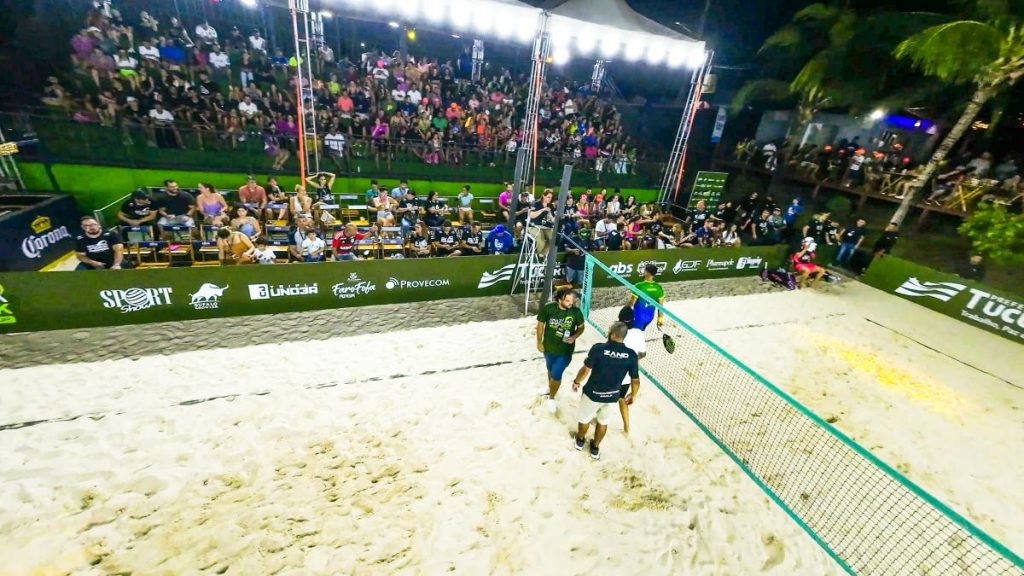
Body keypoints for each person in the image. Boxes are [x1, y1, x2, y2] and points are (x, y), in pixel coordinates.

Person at [571, 321, 640, 460]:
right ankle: (595, 448)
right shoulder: (631, 355)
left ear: (613, 334)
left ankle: (580, 441)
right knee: (603, 422)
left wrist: (577, 381)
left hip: (593, 393)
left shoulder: (598, 348)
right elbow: (635, 380)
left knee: (584, 419)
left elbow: (585, 370)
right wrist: (633, 395)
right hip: (613, 396)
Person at [536, 287, 585, 414]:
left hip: (565, 351)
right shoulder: (548, 308)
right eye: (567, 301)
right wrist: (539, 342)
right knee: (550, 370)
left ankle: (552, 398)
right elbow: (540, 325)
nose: (571, 303)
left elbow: (581, 327)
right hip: (548, 347)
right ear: (559, 300)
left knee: (556, 374)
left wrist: (574, 337)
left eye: (572, 300)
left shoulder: (576, 312)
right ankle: (550, 388)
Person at [614, 307, 646, 434]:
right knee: (621, 398)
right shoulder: (639, 333)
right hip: (627, 376)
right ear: (633, 319)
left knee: (601, 396)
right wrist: (632, 359)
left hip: (612, 373)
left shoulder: (616, 332)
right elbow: (643, 354)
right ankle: (627, 427)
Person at [628, 264, 665, 331]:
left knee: (634, 334)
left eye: (644, 270)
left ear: (646, 272)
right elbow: (661, 307)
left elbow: (631, 303)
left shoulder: (639, 286)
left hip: (638, 317)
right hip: (649, 318)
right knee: (640, 332)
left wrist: (625, 315)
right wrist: (660, 318)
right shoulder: (659, 287)